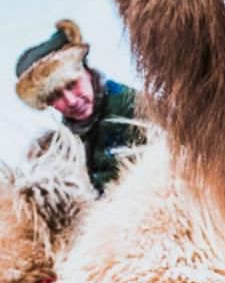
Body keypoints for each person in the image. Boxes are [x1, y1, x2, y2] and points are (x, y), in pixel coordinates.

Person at [14, 20, 146, 193]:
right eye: (55, 96)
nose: (71, 101)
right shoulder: (58, 149)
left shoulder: (138, 110)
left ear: (87, 70)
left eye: (71, 85)